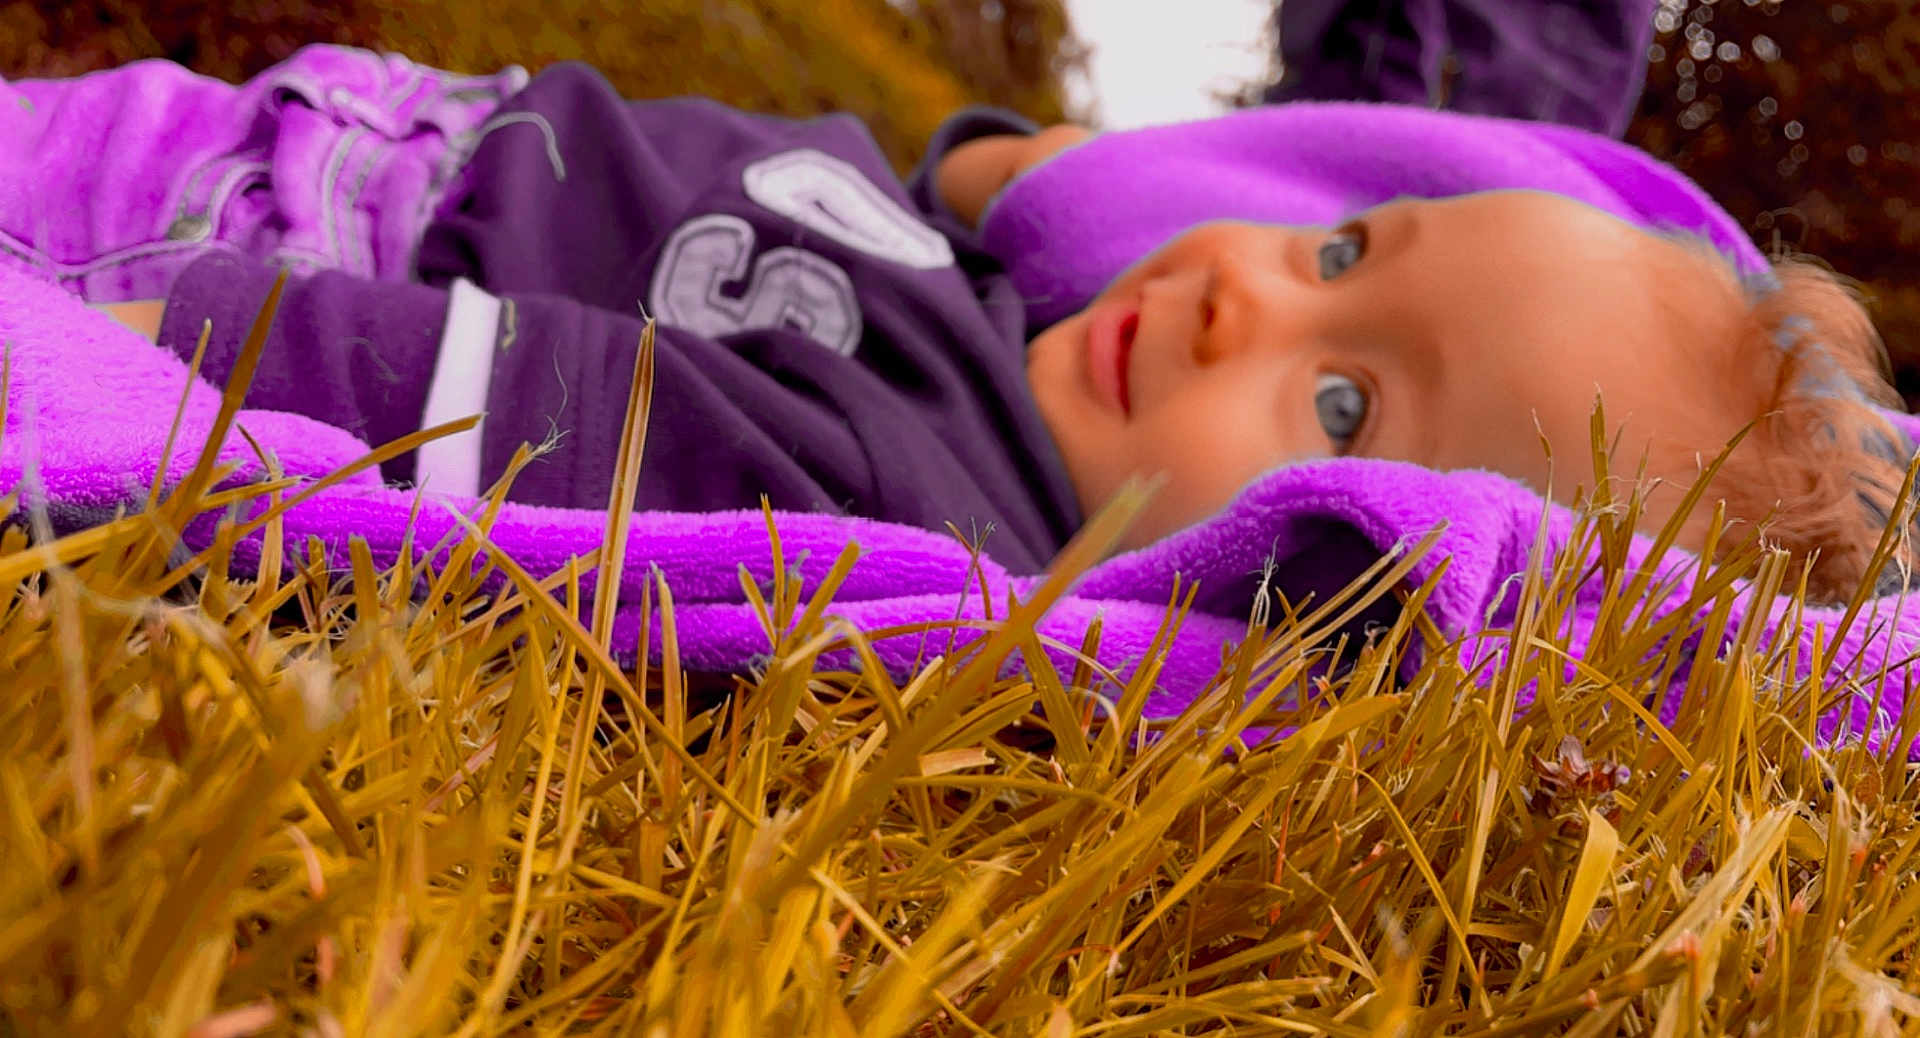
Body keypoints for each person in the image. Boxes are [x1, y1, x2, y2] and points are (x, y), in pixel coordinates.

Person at [0, 38, 1907, 598]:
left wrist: (129, 319)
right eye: (1343, 255)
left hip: (213, 222)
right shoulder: (1012, 331)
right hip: (350, 125)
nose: (1236, 290)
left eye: (1340, 406)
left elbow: (437, 405)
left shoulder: (911, 493)